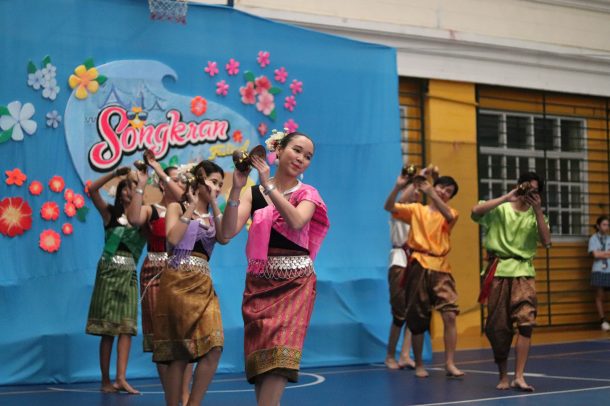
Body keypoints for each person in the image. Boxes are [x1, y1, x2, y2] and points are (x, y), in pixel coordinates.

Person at [221, 131, 330, 406]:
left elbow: (295, 221)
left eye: (308, 156)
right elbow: (225, 234)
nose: (302, 159)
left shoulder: (308, 193)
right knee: (262, 364)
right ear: (278, 150)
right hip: (259, 283)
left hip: (295, 284)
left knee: (280, 357)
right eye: (297, 150)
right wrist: (236, 188)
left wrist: (267, 186)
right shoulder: (252, 193)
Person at [152, 160, 230, 406]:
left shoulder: (214, 214)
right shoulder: (176, 207)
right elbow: (173, 238)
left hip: (203, 284)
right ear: (200, 177)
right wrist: (191, 208)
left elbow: (225, 237)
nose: (217, 187)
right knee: (179, 354)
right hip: (176, 282)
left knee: (214, 346)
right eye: (213, 182)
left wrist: (214, 203)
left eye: (220, 184)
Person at [471, 172, 551, 392]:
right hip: (498, 271)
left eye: (534, 191)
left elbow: (546, 241)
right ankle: (503, 375)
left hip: (523, 272)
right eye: (526, 188)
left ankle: (519, 376)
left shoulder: (537, 215)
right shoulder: (501, 209)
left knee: (526, 322)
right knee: (498, 327)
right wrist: (507, 197)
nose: (529, 194)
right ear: (518, 186)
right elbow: (475, 212)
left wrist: (537, 209)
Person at [125, 154, 192, 405]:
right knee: (161, 339)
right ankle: (171, 398)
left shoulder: (189, 209)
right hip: (154, 271)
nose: (181, 185)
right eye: (175, 180)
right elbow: (133, 219)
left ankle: (184, 396)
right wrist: (142, 182)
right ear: (162, 184)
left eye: (183, 181)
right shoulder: (152, 210)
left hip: (184, 272)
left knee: (185, 339)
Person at [384, 171, 463, 379]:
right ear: (433, 187)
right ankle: (417, 363)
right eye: (441, 187)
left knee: (450, 313)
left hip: (441, 267)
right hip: (418, 263)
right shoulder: (417, 210)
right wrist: (398, 186)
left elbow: (448, 215)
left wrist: (432, 191)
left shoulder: (451, 213)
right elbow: (390, 207)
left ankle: (450, 363)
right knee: (416, 316)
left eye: (449, 192)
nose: (444, 192)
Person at [85, 168, 146, 394]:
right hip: (108, 275)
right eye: (127, 187)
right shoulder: (110, 214)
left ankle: (121, 378)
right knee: (107, 330)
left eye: (134, 187)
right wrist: (114, 173)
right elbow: (91, 189)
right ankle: (105, 380)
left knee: (127, 328)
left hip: (129, 276)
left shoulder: (142, 218)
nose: (130, 190)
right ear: (120, 193)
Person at [385, 180, 419, 370]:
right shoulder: (399, 211)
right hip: (400, 261)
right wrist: (413, 182)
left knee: (413, 311)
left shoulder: (420, 213)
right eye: (412, 189)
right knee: (400, 313)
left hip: (416, 262)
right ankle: (390, 354)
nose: (416, 193)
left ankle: (405, 354)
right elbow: (401, 199)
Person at [588, 215, 610, 331]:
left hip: (609, 270)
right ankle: (602, 320)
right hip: (598, 270)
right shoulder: (593, 239)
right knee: (599, 296)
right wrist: (606, 253)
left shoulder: (609, 238)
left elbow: (599, 253)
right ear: (598, 226)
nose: (606, 227)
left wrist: (602, 253)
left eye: (607, 225)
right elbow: (595, 255)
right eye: (604, 224)